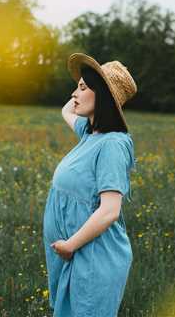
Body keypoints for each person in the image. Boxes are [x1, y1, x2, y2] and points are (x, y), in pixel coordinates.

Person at [43, 52, 138, 317]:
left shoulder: (112, 145)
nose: (74, 93)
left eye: (83, 88)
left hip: (94, 258)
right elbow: (66, 110)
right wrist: (84, 87)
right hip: (74, 256)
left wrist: (70, 245)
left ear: (103, 97)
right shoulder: (89, 132)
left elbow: (110, 210)